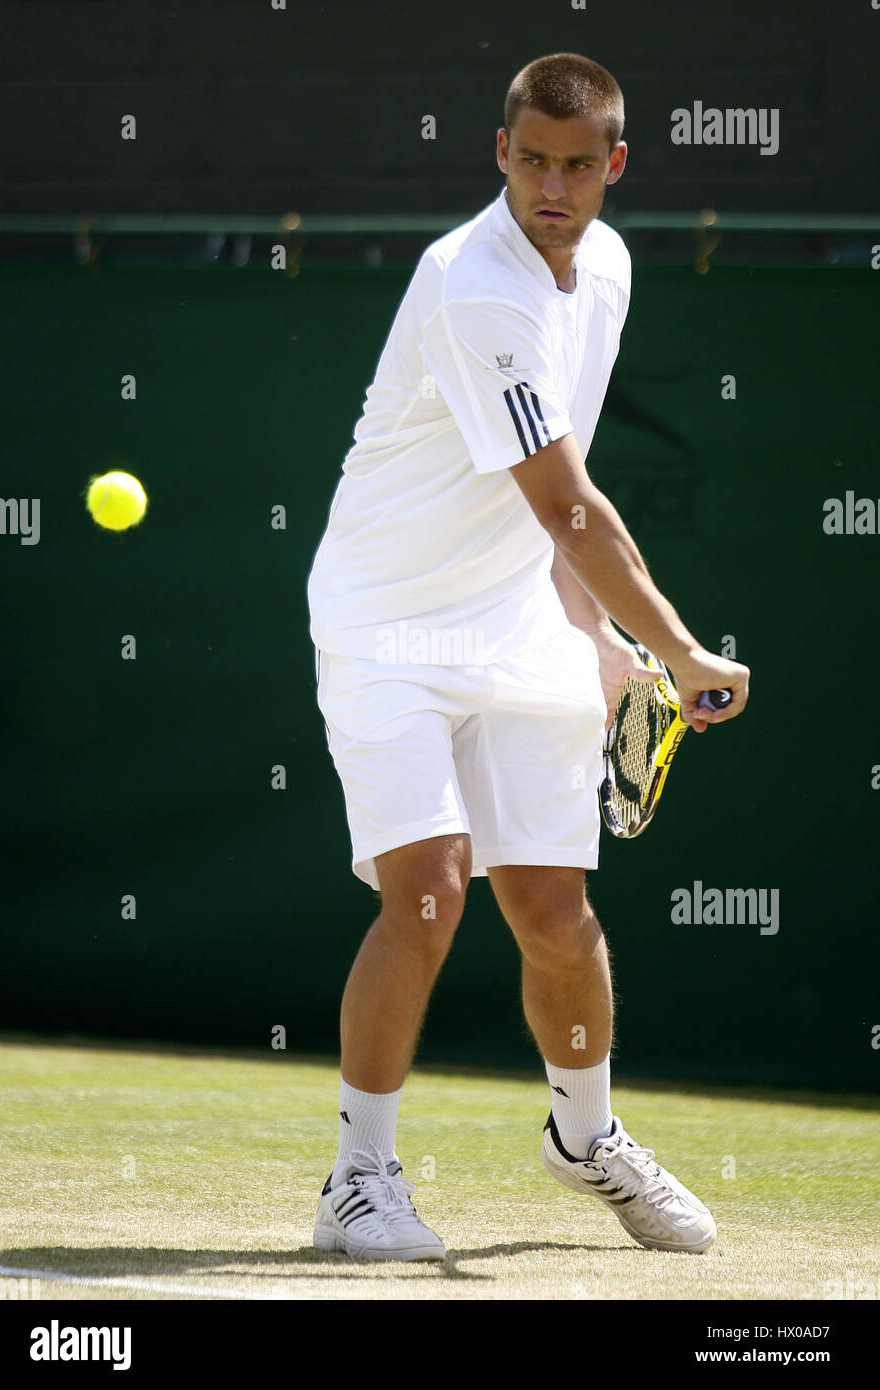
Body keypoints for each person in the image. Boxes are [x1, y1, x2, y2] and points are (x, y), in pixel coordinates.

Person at [306, 51, 750, 1262]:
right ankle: (357, 1179)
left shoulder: (601, 268)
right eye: (530, 161)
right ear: (498, 153)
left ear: (614, 166)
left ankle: (585, 1138)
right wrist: (676, 645)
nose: (551, 187)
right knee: (434, 888)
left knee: (556, 911)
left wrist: (597, 638)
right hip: (386, 623)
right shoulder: (473, 285)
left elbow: (541, 505)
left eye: (576, 166)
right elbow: (571, 506)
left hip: (513, 621)